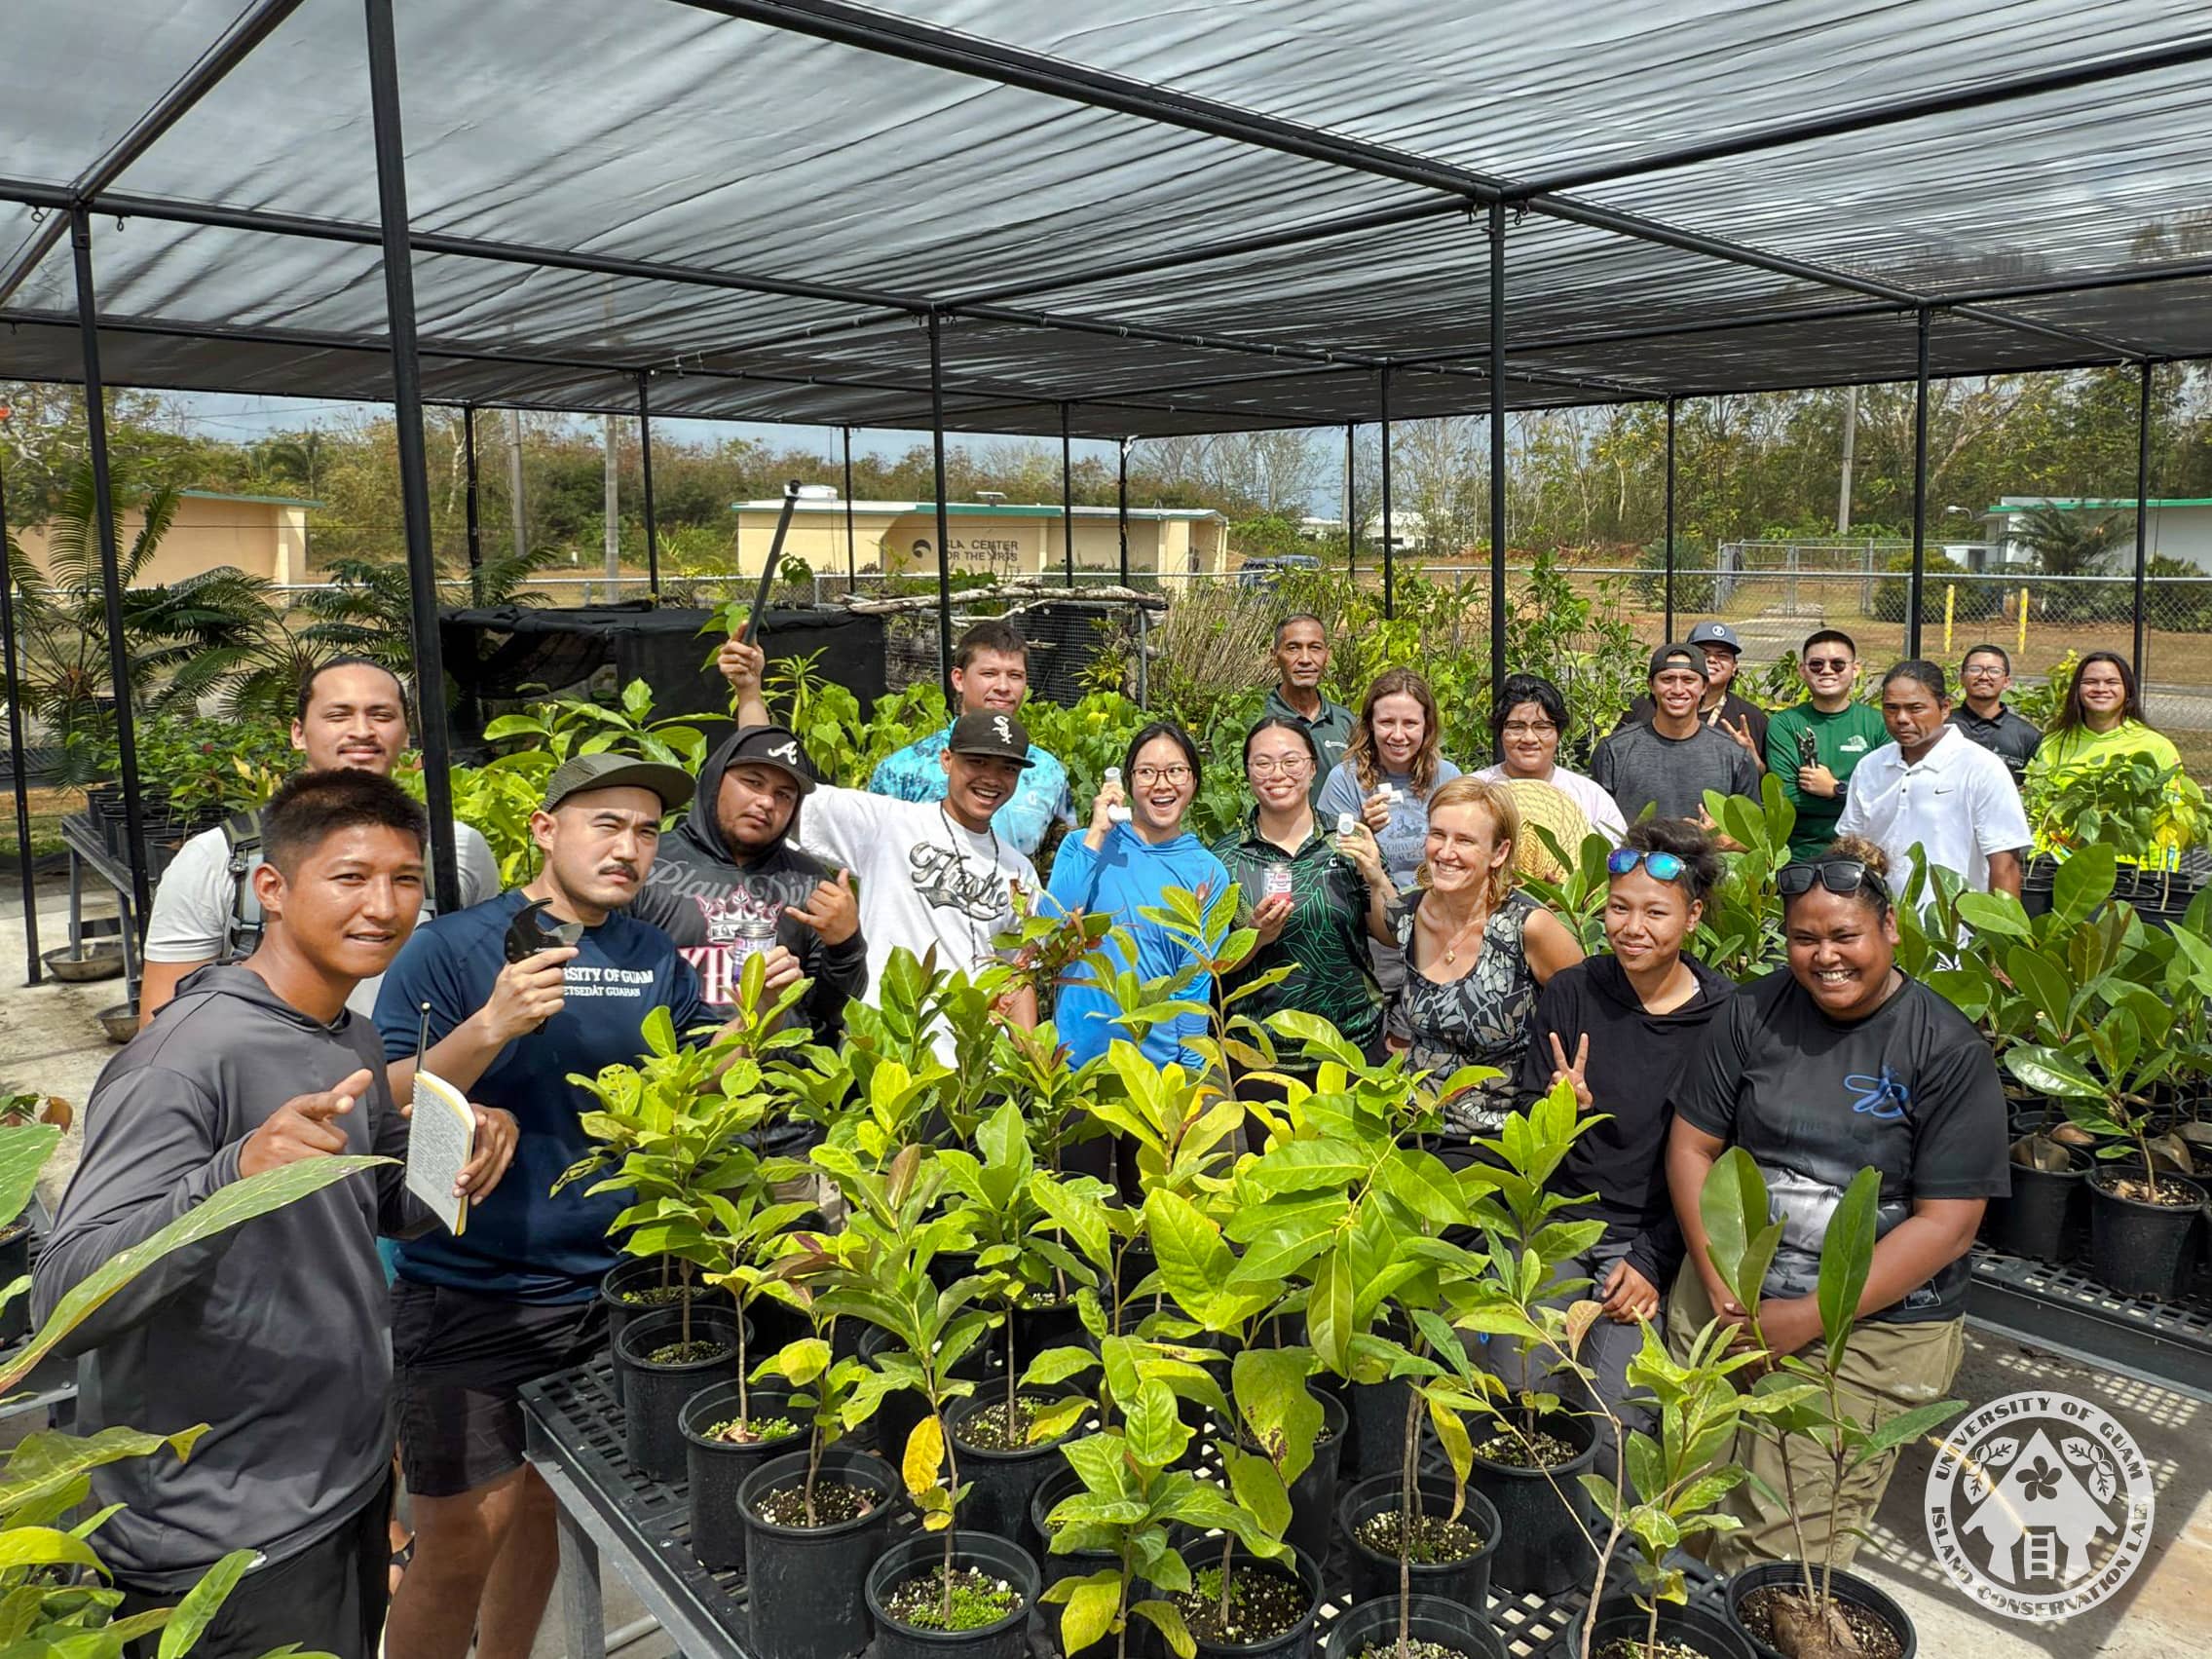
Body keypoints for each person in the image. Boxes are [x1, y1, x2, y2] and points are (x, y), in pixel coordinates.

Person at [34, 771, 519, 1659]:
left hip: (341, 1483)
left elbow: (365, 1203)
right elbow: (64, 1302)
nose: (383, 905)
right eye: (350, 877)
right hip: (219, 1533)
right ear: (274, 888)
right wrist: (232, 1176)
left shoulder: (348, 1033)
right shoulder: (182, 1059)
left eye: (405, 879)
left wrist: (461, 1143)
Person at [374, 753, 713, 1659]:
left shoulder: (649, 954)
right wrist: (488, 1025)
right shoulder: (452, 949)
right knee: (455, 1544)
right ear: (542, 828)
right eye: (605, 822)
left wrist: (747, 1036)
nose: (628, 847)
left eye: (645, 831)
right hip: (475, 1289)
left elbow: (681, 1092)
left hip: (616, 1289)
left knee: (542, 1506)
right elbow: (376, 1103)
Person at [1665, 837, 2006, 1572]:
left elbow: (1946, 1226)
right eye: (1803, 937)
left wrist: (1800, 1318)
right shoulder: (1750, 1011)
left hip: (1864, 1324)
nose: (1825, 955)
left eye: (1844, 934)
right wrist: (1723, 1282)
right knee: (1678, 1498)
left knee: (1782, 1542)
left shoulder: (1944, 1049)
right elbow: (1692, 1147)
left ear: (1888, 929)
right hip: (1731, 1290)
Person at [1510, 819, 1735, 1468]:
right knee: (1519, 1384)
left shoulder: (1722, 1017)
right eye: (1618, 907)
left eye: (1654, 911)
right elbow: (1527, 1123)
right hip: (1558, 1221)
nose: (1632, 926)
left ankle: (1606, 1563)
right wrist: (1559, 1113)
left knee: (1614, 1419)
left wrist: (1650, 1260)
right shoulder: (1575, 990)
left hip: (1644, 1236)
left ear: (1691, 916)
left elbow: (1714, 1166)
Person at [139, 657, 501, 1026]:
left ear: (407, 732)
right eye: (338, 715)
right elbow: (164, 1025)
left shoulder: (458, 849)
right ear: (298, 733)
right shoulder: (218, 857)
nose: (362, 731)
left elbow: (480, 979)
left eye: (381, 715)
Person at [722, 647, 1042, 1043]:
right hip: (886, 1054)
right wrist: (749, 693)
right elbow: (774, 777)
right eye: (977, 762)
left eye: (1007, 768)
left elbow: (1019, 976)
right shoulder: (887, 825)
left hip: (975, 1073)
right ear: (947, 761)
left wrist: (1032, 1073)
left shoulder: (1019, 872)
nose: (992, 778)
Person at [763, 618, 1071, 857]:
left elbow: (1057, 864)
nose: (1004, 686)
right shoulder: (903, 769)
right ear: (959, 679)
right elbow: (870, 852)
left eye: (1015, 676)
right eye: (989, 674)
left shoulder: (1047, 772)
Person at [628, 721, 867, 1027]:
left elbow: (830, 1014)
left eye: (784, 795)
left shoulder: (809, 883)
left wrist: (845, 945)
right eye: (753, 782)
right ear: (715, 780)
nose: (766, 802)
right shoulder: (649, 864)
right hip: (671, 1067)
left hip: (778, 1069)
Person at [1393, 777, 1583, 1149]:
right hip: (1412, 1126)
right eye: (1438, 835)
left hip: (1496, 1138)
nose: (1446, 852)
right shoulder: (1408, 914)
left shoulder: (1529, 926)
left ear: (1499, 853)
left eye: (1464, 840)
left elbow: (1587, 1005)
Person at [1046, 720, 1229, 1070]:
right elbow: (1051, 926)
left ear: (1193, 780)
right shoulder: (1082, 845)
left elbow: (1194, 984)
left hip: (1154, 1072)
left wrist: (1190, 1075)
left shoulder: (1207, 873)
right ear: (1128, 782)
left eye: (1176, 770)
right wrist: (1098, 834)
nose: (1162, 784)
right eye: (1147, 772)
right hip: (1073, 1065)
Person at [1211, 717, 1387, 1078]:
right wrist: (1256, 937)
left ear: (1312, 768)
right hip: (1261, 1056)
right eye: (1263, 763)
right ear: (1247, 771)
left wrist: (1378, 877)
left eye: (1291, 761)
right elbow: (1212, 966)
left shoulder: (1349, 841)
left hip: (1351, 1045)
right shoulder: (1223, 858)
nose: (1278, 773)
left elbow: (1389, 935)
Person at [1837, 661, 2029, 899]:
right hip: (1880, 924)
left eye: (1915, 708)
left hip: (1954, 930)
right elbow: (1851, 848)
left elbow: (2005, 864)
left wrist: (2002, 933)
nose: (1902, 718)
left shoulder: (1981, 768)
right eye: (1891, 708)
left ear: (1945, 708)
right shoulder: (1870, 767)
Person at [2022, 651, 2204, 863]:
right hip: (2064, 867)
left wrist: (2158, 874)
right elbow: (2039, 811)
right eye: (2091, 682)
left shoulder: (2156, 747)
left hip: (2131, 873)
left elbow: (2170, 820)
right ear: (2077, 691)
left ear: (2127, 691)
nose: (2101, 689)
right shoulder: (2053, 744)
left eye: (2111, 682)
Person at [1317, 667, 1462, 893]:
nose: (1397, 735)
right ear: (1370, 724)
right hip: (1369, 907)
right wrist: (1363, 829)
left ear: (1427, 726)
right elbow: (1328, 866)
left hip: (1438, 901)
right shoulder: (1343, 779)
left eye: (1410, 723)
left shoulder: (1447, 777)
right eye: (1386, 722)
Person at [1592, 644, 1761, 827]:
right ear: (1651, 685)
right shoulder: (1614, 751)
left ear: (1704, 686)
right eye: (1667, 679)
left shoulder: (1734, 757)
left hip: (1708, 856)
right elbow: (1593, 825)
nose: (1678, 689)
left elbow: (1753, 838)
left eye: (1688, 680)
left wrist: (1721, 840)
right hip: (1634, 855)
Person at [1764, 629, 1888, 862]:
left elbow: (1886, 796)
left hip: (1865, 854)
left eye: (1838, 664)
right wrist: (1855, 799)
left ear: (1856, 669)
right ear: (1802, 670)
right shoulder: (1785, 724)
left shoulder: (1878, 723)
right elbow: (1787, 797)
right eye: (1817, 664)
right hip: (1799, 855)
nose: (1827, 670)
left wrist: (1835, 789)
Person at [1473, 671, 1628, 846]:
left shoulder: (1589, 796)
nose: (1529, 738)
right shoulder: (1473, 791)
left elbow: (1615, 859)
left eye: (1542, 727)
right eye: (1516, 727)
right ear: (1500, 732)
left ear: (1558, 733)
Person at [1618, 620, 1768, 771]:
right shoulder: (1645, 705)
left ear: (1734, 667)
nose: (1712, 660)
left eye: (1722, 656)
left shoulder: (1751, 718)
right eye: (1703, 653)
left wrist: (1750, 759)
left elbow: (1770, 782)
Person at [1262, 613, 1358, 799]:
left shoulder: (1346, 723)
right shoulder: (1258, 719)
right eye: (1293, 648)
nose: (1305, 659)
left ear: (1327, 656)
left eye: (1315, 648)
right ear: (1274, 656)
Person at [1947, 643, 2043, 783]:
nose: (1984, 676)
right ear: (1962, 678)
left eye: (1994, 671)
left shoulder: (2027, 736)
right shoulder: (1942, 725)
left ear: (2006, 681)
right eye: (1975, 669)